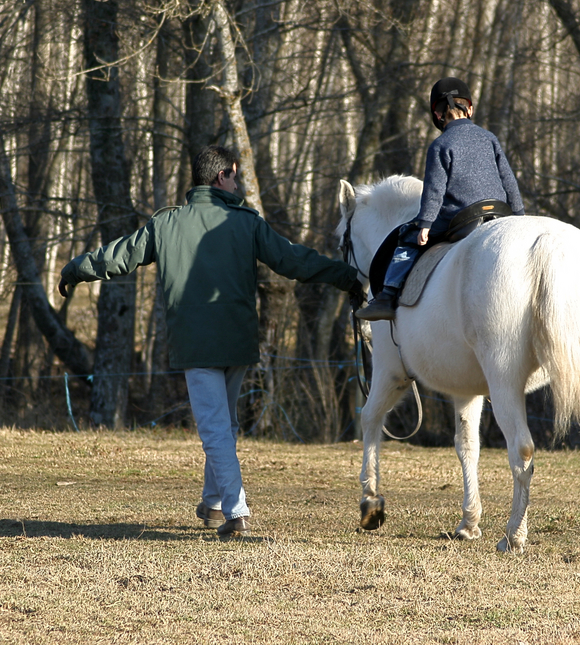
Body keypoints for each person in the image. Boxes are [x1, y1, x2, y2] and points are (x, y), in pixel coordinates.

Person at [58, 145, 361, 538]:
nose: (238, 185)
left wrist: (75, 269)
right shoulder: (246, 222)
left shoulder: (165, 224)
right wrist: (346, 276)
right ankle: (214, 504)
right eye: (235, 177)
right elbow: (293, 260)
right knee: (225, 423)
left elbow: (117, 256)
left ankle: (237, 512)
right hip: (237, 340)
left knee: (216, 428)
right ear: (222, 177)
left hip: (196, 341)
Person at [355, 77, 524, 321]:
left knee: (405, 238)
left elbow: (434, 191)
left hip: (462, 217)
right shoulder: (490, 138)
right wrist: (518, 215)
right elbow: (509, 180)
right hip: (500, 213)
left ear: (438, 115)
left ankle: (386, 297)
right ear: (470, 108)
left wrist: (424, 225)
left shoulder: (440, 144)